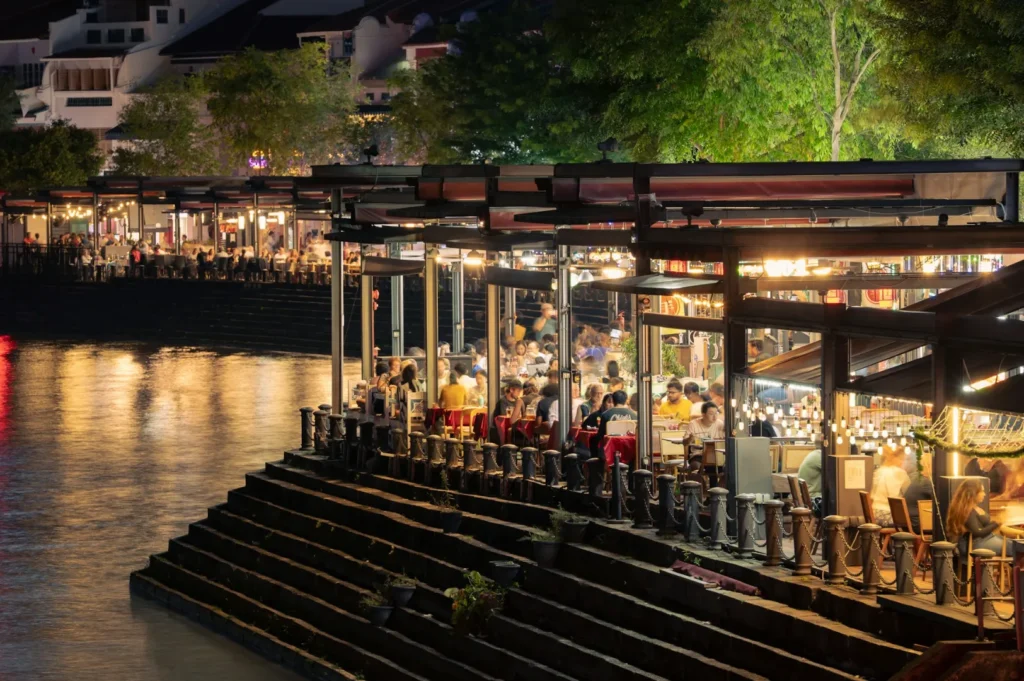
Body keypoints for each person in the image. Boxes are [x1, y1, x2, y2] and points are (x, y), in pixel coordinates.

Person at [946, 479, 1024, 559]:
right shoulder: (967, 510)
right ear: (973, 493)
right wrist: (997, 522)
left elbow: (987, 526)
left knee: (1016, 544)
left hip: (986, 539)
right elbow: (978, 532)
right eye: (982, 491)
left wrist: (998, 521)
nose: (984, 494)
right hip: (976, 544)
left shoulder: (975, 508)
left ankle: (1015, 569)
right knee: (1017, 548)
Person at [869, 444, 911, 527]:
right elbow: (909, 493)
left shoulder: (879, 471)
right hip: (888, 515)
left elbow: (871, 497)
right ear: (894, 458)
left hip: (874, 514)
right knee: (912, 520)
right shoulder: (899, 473)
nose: (902, 462)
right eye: (901, 459)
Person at [904, 452, 934, 534]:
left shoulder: (917, 478)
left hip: (909, 522)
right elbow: (940, 501)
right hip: (918, 525)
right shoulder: (926, 482)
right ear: (930, 466)